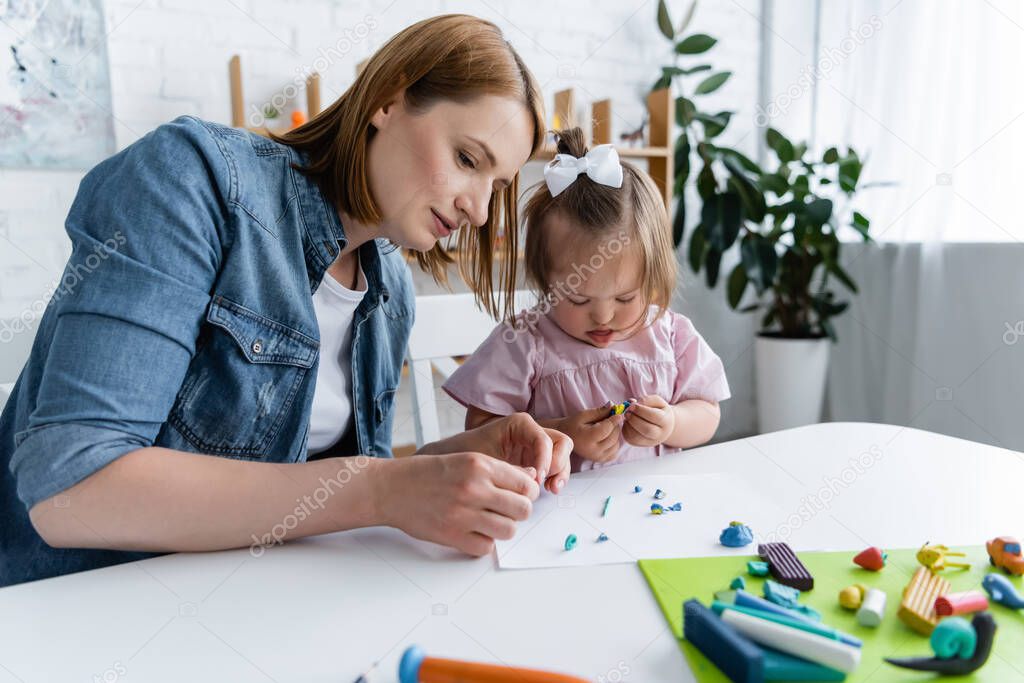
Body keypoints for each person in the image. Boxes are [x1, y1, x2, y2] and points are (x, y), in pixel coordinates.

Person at [0, 15, 572, 588]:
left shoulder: (390, 293)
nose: (477, 209)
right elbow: (70, 488)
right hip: (71, 615)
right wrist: (383, 488)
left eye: (496, 186)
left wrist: (454, 462)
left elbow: (311, 493)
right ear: (389, 99)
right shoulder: (191, 181)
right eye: (468, 160)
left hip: (247, 604)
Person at [443, 128, 730, 472]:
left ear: (653, 279)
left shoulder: (669, 334)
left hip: (653, 511)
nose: (604, 316)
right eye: (577, 299)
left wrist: (672, 423)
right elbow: (480, 434)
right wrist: (561, 433)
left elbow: (708, 412)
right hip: (554, 515)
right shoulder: (525, 341)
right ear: (543, 279)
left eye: (625, 297)